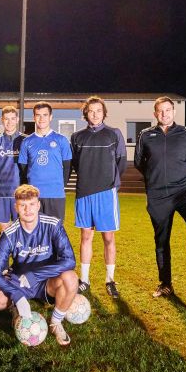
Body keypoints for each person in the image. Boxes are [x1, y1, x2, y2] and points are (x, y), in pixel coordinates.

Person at [134, 96, 186, 298]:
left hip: (183, 191)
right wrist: (156, 178)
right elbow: (139, 162)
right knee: (161, 240)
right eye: (160, 111)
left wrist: (178, 174)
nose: (164, 114)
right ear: (155, 114)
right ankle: (165, 284)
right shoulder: (145, 135)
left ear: (174, 111)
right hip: (158, 196)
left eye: (168, 110)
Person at [0, 185, 79, 346]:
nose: (28, 210)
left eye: (32, 204)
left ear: (38, 205)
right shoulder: (9, 234)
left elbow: (69, 260)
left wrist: (36, 275)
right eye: (23, 205)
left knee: (71, 278)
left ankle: (56, 322)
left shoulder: (53, 225)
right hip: (19, 281)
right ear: (16, 207)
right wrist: (16, 294)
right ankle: (15, 307)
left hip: (48, 281)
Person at [70, 96, 127, 298]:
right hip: (84, 192)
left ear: (104, 113)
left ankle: (110, 280)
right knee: (86, 236)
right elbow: (76, 164)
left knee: (108, 237)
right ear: (86, 113)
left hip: (106, 193)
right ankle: (84, 280)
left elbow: (121, 161)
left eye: (98, 111)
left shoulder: (114, 134)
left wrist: (111, 182)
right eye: (91, 111)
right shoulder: (77, 137)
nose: (95, 114)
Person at [0, 105, 27, 274]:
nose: (9, 122)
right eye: (6, 119)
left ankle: (19, 265)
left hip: (19, 194)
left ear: (17, 120)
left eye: (12, 119)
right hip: (1, 193)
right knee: (5, 231)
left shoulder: (25, 141)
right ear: (2, 121)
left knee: (21, 230)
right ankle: (3, 266)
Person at [17, 102, 72, 220]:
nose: (41, 118)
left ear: (51, 117)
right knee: (34, 231)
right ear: (34, 117)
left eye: (45, 115)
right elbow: (23, 168)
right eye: (38, 115)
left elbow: (67, 166)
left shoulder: (61, 140)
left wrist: (61, 185)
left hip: (55, 194)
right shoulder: (27, 141)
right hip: (34, 195)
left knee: (55, 231)